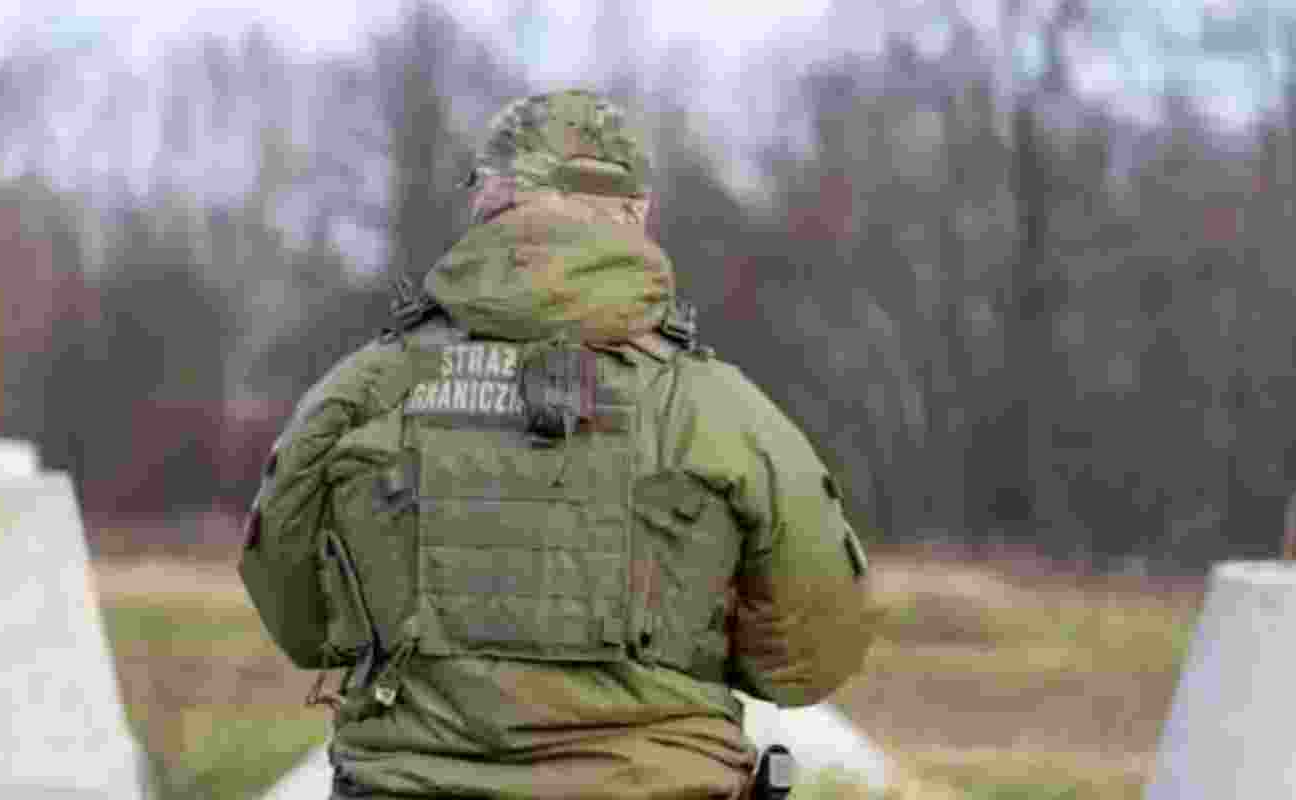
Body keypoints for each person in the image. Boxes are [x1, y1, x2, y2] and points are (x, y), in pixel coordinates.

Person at [239, 89, 878, 800]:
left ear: (488, 202)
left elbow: (296, 618)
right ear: (636, 215)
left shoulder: (360, 394)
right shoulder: (722, 412)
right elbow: (812, 657)